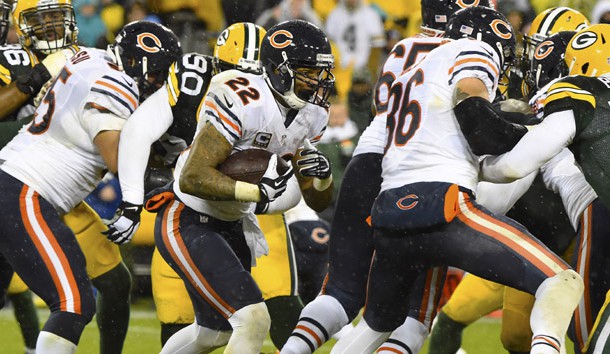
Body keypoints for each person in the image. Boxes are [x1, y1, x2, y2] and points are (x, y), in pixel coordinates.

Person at [341, 6, 584, 354]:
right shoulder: (473, 51)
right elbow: (479, 122)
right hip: (444, 209)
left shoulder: (414, 71)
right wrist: (528, 133)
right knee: (561, 280)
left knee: (378, 328)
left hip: (389, 216)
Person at [281, 1, 490, 354]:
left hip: (368, 160)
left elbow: (385, 110)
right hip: (418, 178)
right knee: (414, 317)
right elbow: (473, 126)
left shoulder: (403, 48)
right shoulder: (464, 54)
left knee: (341, 293)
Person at [146, 19, 335, 354]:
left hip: (232, 222)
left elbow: (318, 201)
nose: (316, 81)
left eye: (320, 72)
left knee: (211, 333)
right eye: (307, 71)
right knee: (254, 318)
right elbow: (193, 176)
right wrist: (257, 194)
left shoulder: (311, 114)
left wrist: (322, 177)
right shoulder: (244, 96)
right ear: (279, 70)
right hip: (188, 216)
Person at [0, 19, 180, 353]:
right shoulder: (117, 84)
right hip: (25, 191)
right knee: (73, 303)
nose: (157, 82)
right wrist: (165, 155)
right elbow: (119, 159)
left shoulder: (92, 57)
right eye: (156, 73)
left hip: (16, 180)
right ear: (135, 64)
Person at [480, 23, 610, 354]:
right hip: (579, 218)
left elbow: (513, 168)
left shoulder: (577, 94)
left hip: (598, 214)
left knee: (589, 336)